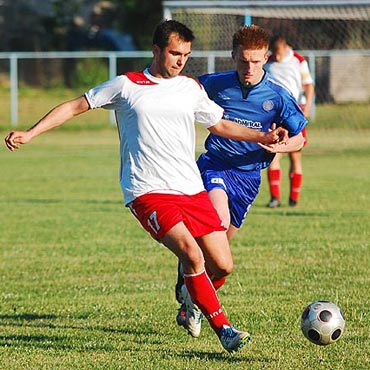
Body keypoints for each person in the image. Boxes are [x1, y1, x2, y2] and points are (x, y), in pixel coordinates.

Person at [4, 20, 289, 353]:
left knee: (223, 264)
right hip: (148, 191)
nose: (180, 60)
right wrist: (31, 132)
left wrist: (263, 136)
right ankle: (224, 329)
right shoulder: (127, 86)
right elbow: (75, 105)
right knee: (191, 254)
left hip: (190, 189)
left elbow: (221, 123)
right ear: (156, 51)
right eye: (174, 53)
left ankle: (189, 299)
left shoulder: (190, 88)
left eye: (185, 54)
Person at [175, 25, 308, 336]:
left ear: (266, 58)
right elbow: (178, 91)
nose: (249, 68)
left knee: (219, 262)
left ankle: (189, 298)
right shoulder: (214, 83)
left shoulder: (277, 96)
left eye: (256, 61)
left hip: (248, 180)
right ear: (233, 55)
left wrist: (280, 145)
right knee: (217, 223)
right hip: (214, 167)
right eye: (243, 61)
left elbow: (301, 139)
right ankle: (194, 290)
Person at [264, 35, 315, 208]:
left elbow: (308, 85)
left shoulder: (298, 60)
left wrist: (307, 107)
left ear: (285, 48)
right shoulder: (268, 62)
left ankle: (293, 198)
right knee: (273, 153)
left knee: (295, 155)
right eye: (274, 54)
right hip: (275, 114)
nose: (277, 58)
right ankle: (275, 198)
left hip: (295, 113)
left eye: (279, 54)